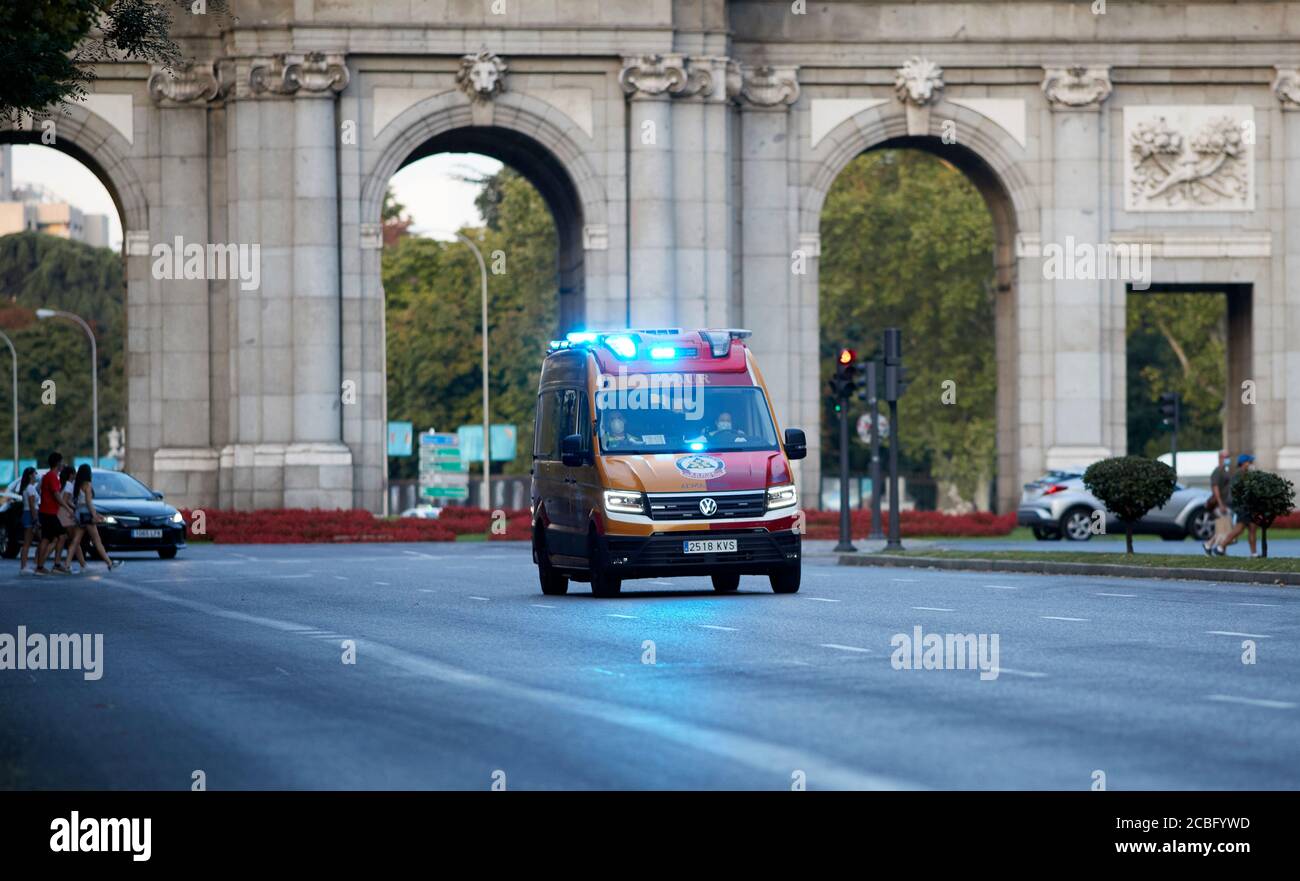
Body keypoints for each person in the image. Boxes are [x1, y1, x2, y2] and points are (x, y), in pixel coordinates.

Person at [68, 465, 122, 572]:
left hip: (79, 514)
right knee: (97, 540)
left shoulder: (76, 484)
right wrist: (94, 516)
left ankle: (66, 564)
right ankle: (110, 563)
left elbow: (77, 501)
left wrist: (97, 514)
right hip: (87, 515)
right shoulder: (87, 485)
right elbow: (89, 503)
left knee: (75, 541)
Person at [33, 453, 69, 576]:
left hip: (46, 512)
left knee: (47, 539)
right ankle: (56, 565)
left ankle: (40, 567)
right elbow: (56, 495)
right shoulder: (52, 477)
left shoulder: (48, 476)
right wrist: (67, 507)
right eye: (62, 462)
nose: (63, 464)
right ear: (58, 464)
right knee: (62, 536)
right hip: (49, 513)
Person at [1218, 454, 1258, 556]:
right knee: (1239, 529)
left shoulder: (1247, 475)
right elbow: (1235, 492)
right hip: (1242, 506)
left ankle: (1254, 553)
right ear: (1243, 463)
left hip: (1249, 506)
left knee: (1253, 528)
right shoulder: (1238, 475)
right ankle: (1221, 547)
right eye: (1249, 462)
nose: (1251, 464)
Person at [1204, 450, 1233, 556]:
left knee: (1224, 529)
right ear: (1220, 458)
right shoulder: (1217, 471)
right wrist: (1220, 504)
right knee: (1223, 528)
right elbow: (1215, 488)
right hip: (1220, 505)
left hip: (1225, 504)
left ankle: (1210, 545)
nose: (1228, 459)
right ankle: (1218, 549)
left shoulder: (1225, 470)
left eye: (1228, 457)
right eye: (1226, 457)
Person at [54, 465, 79, 572]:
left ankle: (82, 563)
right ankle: (63, 564)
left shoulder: (61, 483)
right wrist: (73, 508)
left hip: (59, 513)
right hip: (66, 514)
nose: (75, 476)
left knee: (61, 539)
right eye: (74, 474)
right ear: (71, 475)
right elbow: (66, 500)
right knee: (74, 540)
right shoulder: (69, 485)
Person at [17, 466, 39, 574]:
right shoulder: (30, 488)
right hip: (30, 514)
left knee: (29, 541)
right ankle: (24, 567)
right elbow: (32, 505)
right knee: (27, 542)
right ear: (31, 475)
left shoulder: (28, 487)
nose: (36, 476)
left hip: (28, 514)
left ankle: (27, 565)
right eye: (35, 473)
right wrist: (35, 519)